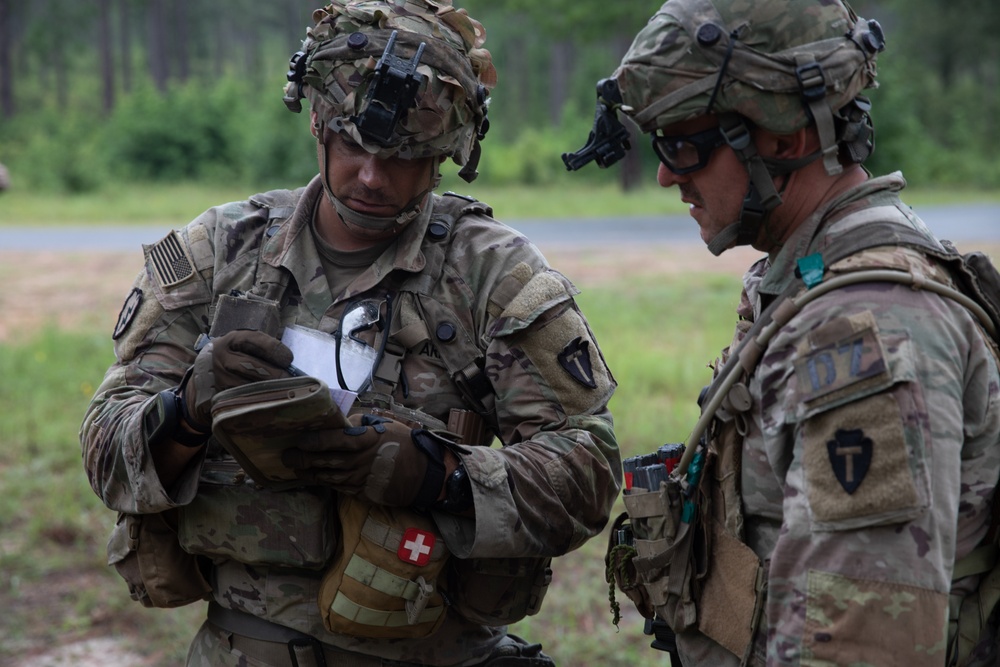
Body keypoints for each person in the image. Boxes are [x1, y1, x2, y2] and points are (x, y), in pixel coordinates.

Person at [80, 2, 621, 665]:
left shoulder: (493, 276)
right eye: (354, 145)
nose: (371, 176)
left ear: (445, 155)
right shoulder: (218, 254)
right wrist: (188, 407)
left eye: (402, 157)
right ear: (318, 122)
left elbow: (590, 469)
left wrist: (437, 474)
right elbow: (105, 448)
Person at [565, 0, 1000, 665]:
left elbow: (860, 643)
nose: (665, 174)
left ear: (783, 139)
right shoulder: (811, 279)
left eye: (684, 144)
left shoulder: (863, 330)